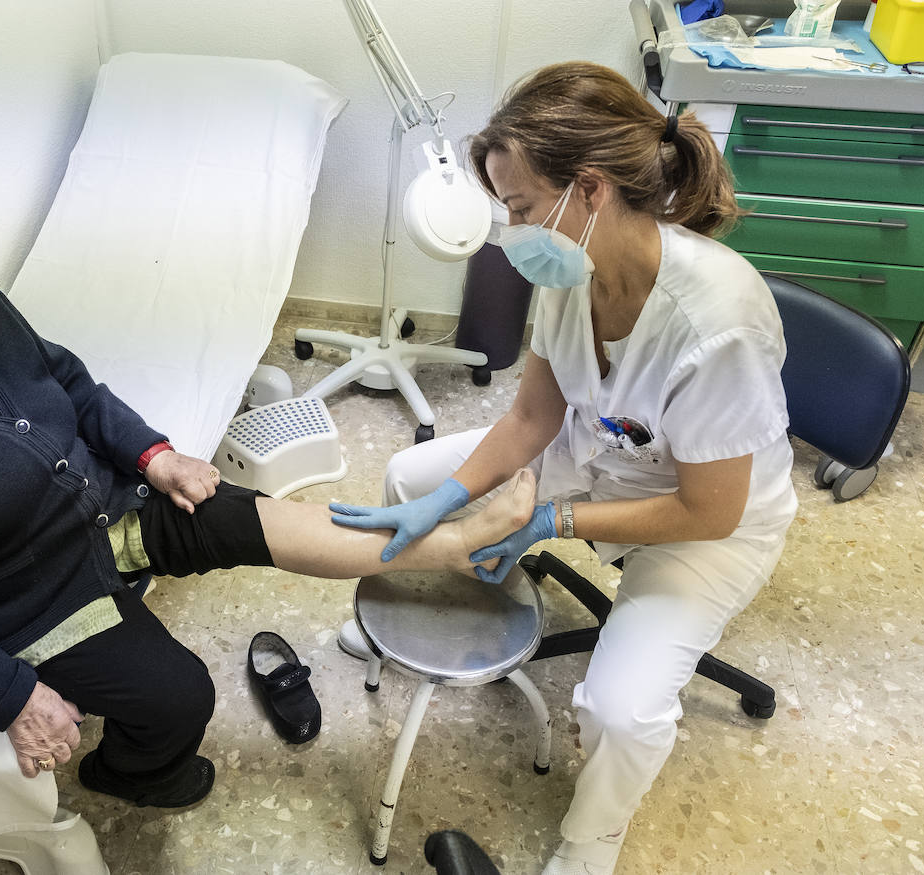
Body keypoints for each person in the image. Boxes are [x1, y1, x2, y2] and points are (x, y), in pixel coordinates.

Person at [0, 114, 538, 811]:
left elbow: (65, 380)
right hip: (28, 603)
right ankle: (133, 775)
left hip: (108, 505)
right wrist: (12, 696)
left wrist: (155, 453)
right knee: (179, 698)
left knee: (268, 521)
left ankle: (452, 547)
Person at [330, 63, 797, 874]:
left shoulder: (720, 324)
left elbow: (706, 511)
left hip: (706, 523)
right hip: (598, 455)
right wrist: (446, 498)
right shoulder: (570, 271)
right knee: (410, 476)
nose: (509, 231)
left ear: (589, 190)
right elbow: (534, 418)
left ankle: (591, 844)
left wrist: (548, 520)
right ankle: (399, 628)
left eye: (517, 207)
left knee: (620, 709)